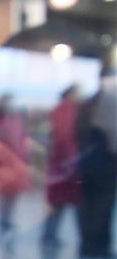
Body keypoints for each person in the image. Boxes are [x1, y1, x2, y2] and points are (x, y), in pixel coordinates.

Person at [76, 66, 117, 259]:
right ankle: (99, 246)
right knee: (102, 205)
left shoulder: (89, 102)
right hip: (105, 162)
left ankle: (87, 245)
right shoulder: (109, 102)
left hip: (86, 161)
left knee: (87, 205)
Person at [41, 84, 82, 248]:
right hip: (67, 163)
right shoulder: (69, 111)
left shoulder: (58, 110)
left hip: (58, 163)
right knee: (70, 202)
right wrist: (71, 159)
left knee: (57, 202)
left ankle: (49, 234)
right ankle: (86, 239)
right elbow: (64, 137)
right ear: (70, 95)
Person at [0, 94, 28, 238]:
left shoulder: (15, 119)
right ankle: (3, 221)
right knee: (5, 194)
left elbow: (21, 139)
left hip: (16, 161)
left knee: (13, 194)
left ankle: (7, 220)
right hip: (5, 162)